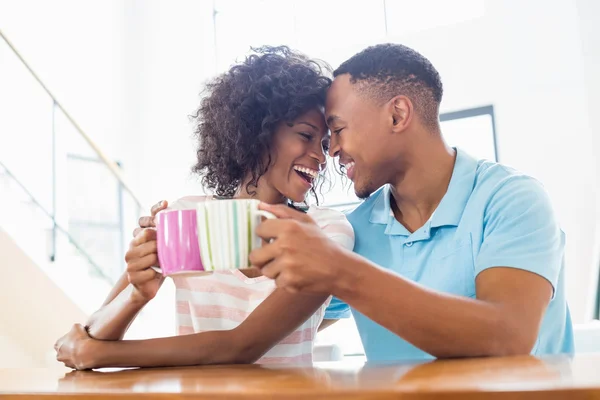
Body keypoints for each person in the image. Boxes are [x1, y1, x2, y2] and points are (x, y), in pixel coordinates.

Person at [249, 43, 574, 360]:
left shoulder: (512, 200)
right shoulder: (355, 231)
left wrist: (342, 271)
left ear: (397, 115)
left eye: (338, 129)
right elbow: (277, 332)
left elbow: (508, 335)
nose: (331, 150)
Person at [54, 46, 354, 370]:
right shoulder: (185, 218)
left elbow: (244, 345)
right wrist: (138, 294)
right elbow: (92, 333)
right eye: (306, 136)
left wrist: (100, 356)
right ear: (258, 131)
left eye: (324, 144)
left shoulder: (325, 232)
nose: (321, 157)